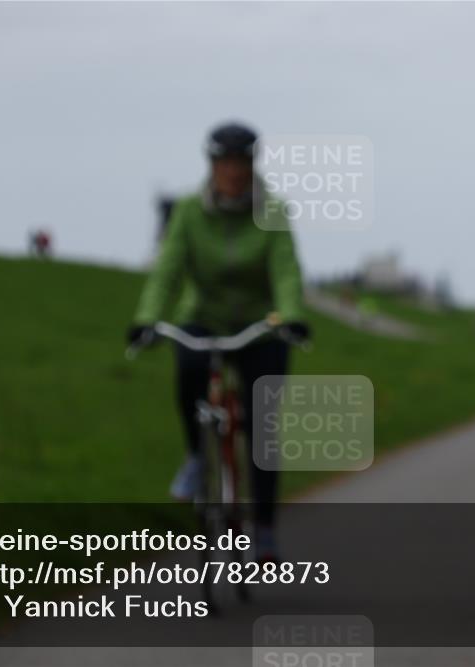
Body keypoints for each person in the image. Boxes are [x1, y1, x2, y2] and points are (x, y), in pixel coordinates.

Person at [127, 122, 310, 559]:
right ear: (212, 165)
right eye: (224, 162)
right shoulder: (190, 211)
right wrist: (147, 318)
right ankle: (195, 456)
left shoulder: (274, 211)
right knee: (189, 366)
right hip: (204, 317)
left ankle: (263, 526)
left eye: (241, 162)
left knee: (262, 427)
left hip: (259, 323)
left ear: (252, 164)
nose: (233, 171)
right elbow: (167, 270)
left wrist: (293, 317)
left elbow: (285, 269)